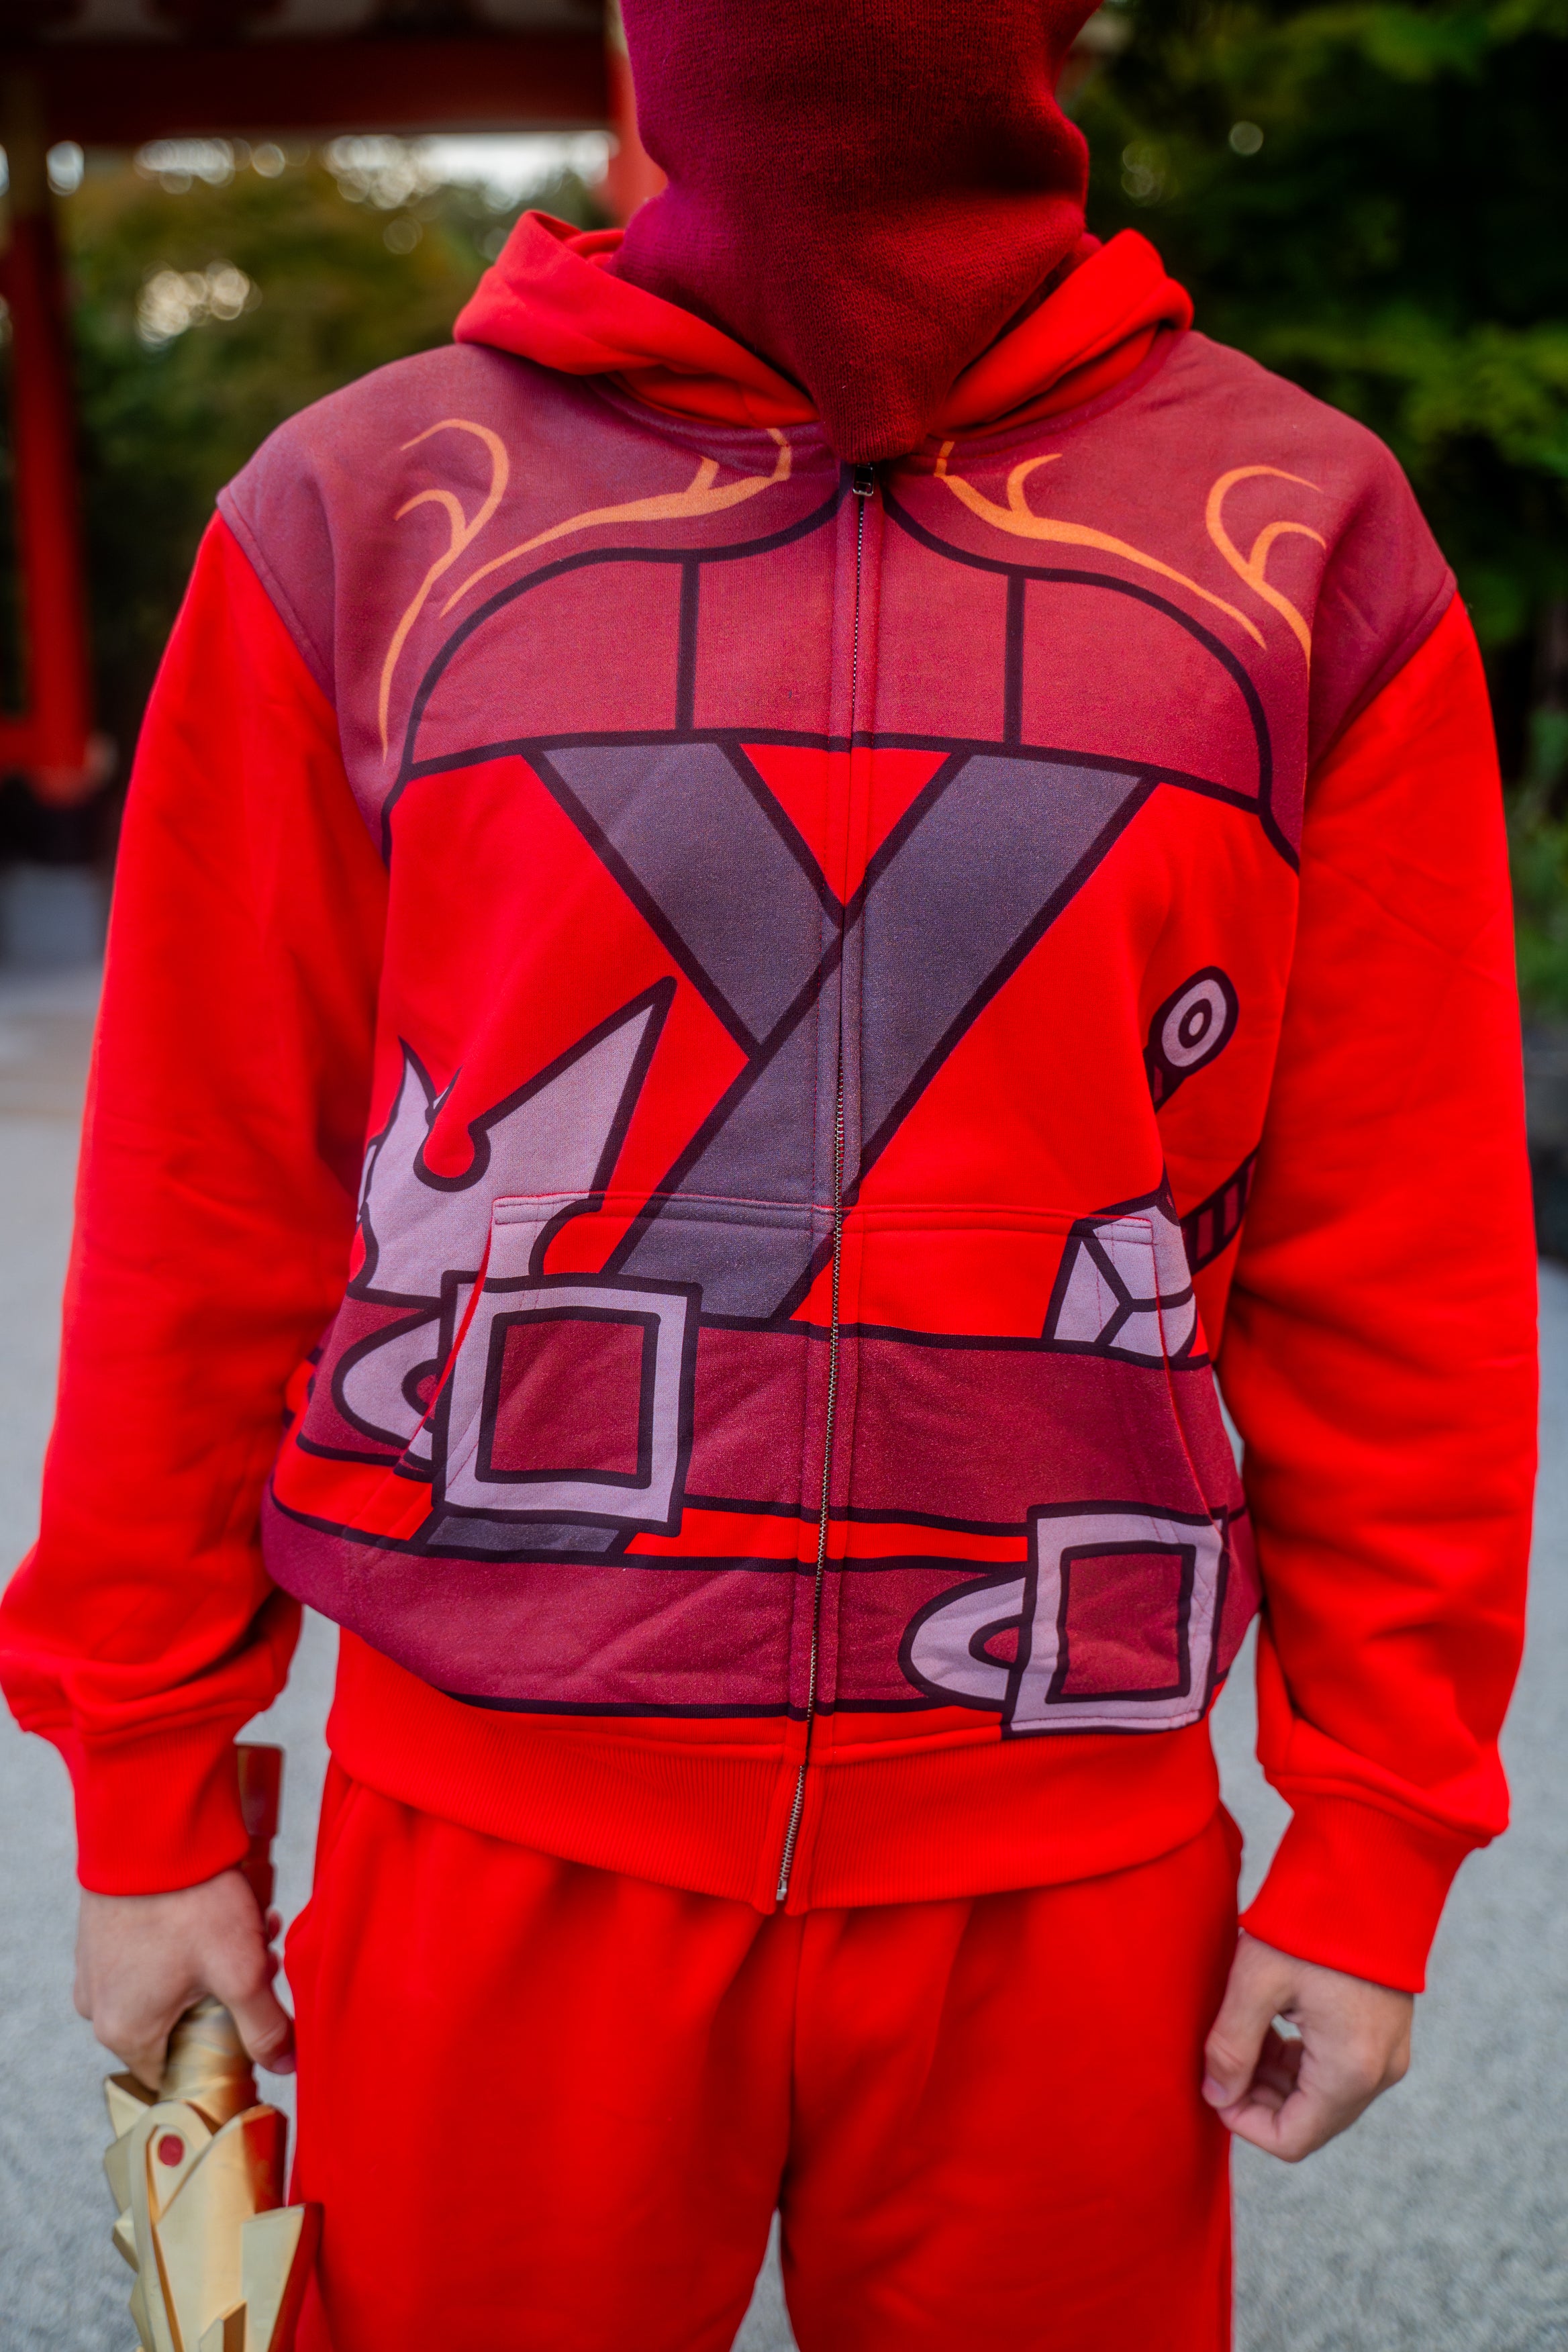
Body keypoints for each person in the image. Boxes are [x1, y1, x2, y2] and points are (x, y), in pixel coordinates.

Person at [0, 3, 1536, 2345]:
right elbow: (208, 1195)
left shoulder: (1296, 534)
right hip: (489, 1836)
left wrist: (1377, 1833)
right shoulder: (368, 514)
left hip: (1063, 1856)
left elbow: (1395, 1245)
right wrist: (147, 1788)